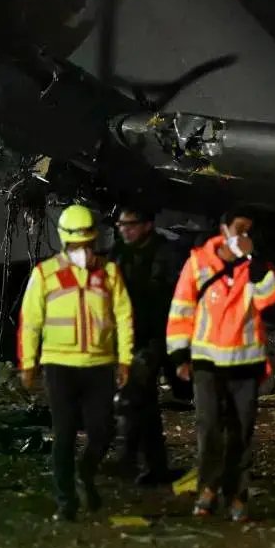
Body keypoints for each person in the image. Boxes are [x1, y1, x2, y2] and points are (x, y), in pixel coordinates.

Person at [166, 212, 275, 522]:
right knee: (209, 429)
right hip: (207, 363)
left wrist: (255, 261)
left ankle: (236, 496)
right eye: (239, 229)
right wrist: (180, 356)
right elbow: (181, 308)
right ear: (223, 230)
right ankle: (208, 488)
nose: (244, 233)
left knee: (240, 433)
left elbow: (273, 296)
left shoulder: (254, 268)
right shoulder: (199, 263)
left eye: (249, 229)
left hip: (245, 363)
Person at [18, 205, 134, 522]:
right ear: (65, 241)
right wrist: (28, 363)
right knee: (64, 435)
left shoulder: (109, 273)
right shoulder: (44, 274)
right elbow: (31, 321)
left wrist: (124, 359)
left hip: (99, 364)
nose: (83, 250)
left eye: (87, 243)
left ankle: (86, 473)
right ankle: (65, 502)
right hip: (60, 366)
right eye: (76, 243)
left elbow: (124, 318)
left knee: (103, 431)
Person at [111, 206, 182, 485]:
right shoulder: (119, 252)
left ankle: (129, 461)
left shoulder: (165, 253)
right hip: (126, 335)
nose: (124, 229)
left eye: (130, 224)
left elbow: (165, 296)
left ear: (147, 225)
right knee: (143, 402)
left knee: (134, 397)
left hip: (153, 336)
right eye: (121, 225)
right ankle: (154, 466)